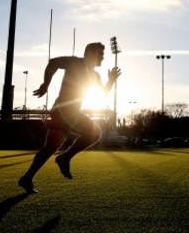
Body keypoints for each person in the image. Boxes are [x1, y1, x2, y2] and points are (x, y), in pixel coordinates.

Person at [18, 42, 121, 194]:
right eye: (101, 54)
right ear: (91, 54)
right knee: (95, 133)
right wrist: (46, 84)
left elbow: (103, 93)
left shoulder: (94, 75)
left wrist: (111, 80)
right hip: (64, 110)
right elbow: (53, 62)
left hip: (68, 112)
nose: (103, 57)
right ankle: (64, 158)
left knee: (50, 148)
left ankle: (27, 178)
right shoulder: (74, 62)